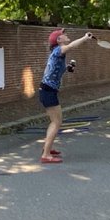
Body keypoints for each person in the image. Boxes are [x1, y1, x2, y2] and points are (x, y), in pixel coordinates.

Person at [38, 28, 94, 163]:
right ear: (59, 40)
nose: (66, 35)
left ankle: (47, 148)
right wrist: (85, 38)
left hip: (47, 90)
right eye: (63, 34)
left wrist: (68, 68)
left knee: (56, 121)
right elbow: (71, 46)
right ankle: (46, 155)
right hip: (48, 91)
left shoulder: (56, 54)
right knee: (56, 122)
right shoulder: (59, 50)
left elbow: (52, 69)